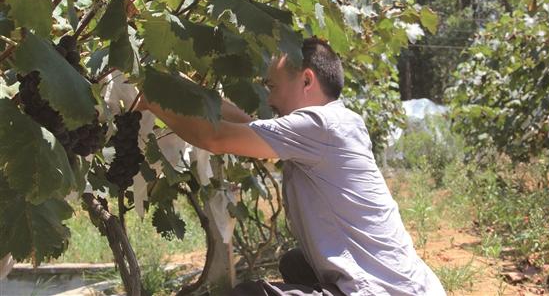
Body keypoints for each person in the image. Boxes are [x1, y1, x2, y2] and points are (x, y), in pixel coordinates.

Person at [137, 37, 446, 296]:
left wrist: (152, 94)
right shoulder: (334, 124)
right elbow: (248, 124)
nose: (269, 98)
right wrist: (183, 86)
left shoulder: (320, 124)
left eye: (272, 86)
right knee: (296, 263)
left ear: (307, 80)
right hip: (413, 287)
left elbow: (214, 138)